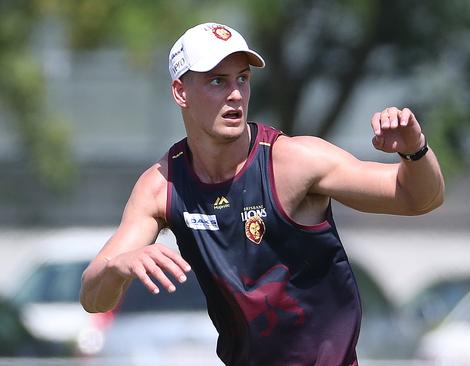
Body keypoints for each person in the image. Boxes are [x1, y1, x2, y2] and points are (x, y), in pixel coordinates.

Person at [80, 22, 444, 365]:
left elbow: (419, 198)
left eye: (243, 79)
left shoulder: (294, 162)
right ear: (180, 92)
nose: (236, 94)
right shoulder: (162, 185)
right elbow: (94, 298)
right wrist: (118, 266)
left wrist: (415, 150)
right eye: (218, 82)